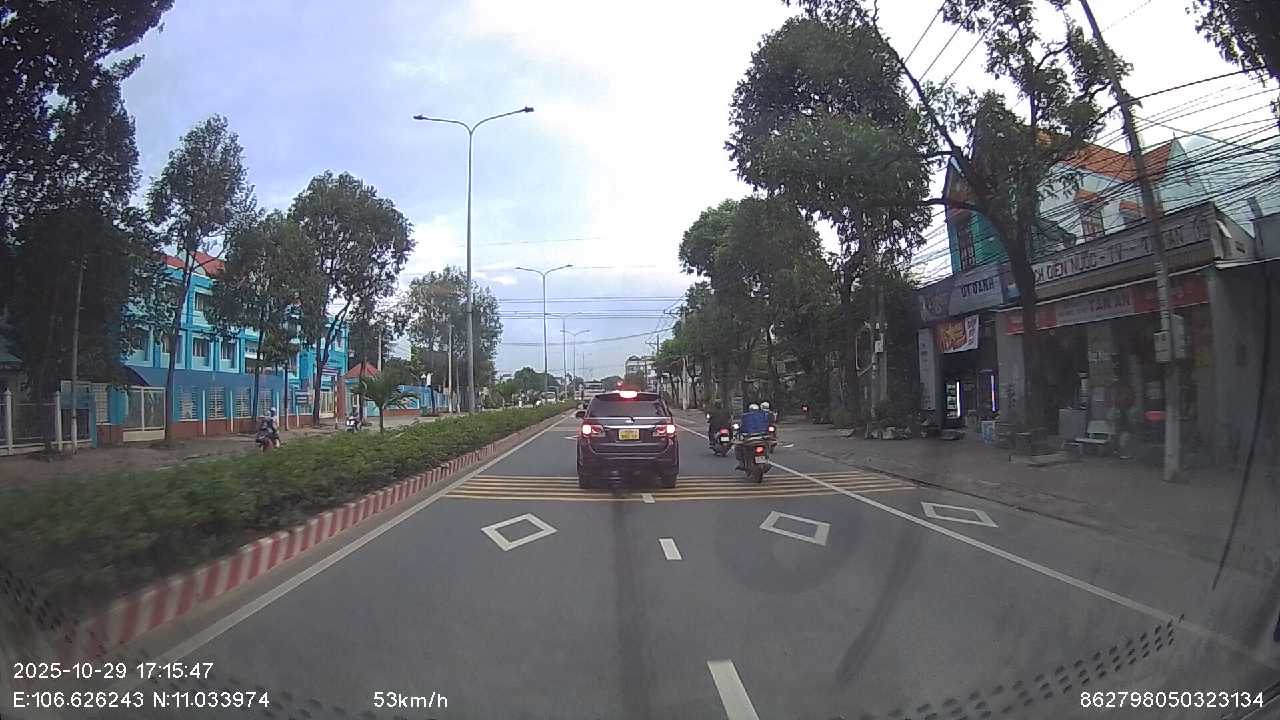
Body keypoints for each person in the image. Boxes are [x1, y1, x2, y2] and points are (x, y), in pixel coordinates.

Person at [735, 402, 769, 469]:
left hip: (750, 438)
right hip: (761, 437)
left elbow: (742, 427)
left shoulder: (745, 416)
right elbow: (766, 425)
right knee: (766, 446)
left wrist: (739, 432)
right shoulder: (763, 415)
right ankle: (766, 461)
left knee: (738, 447)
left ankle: (741, 463)